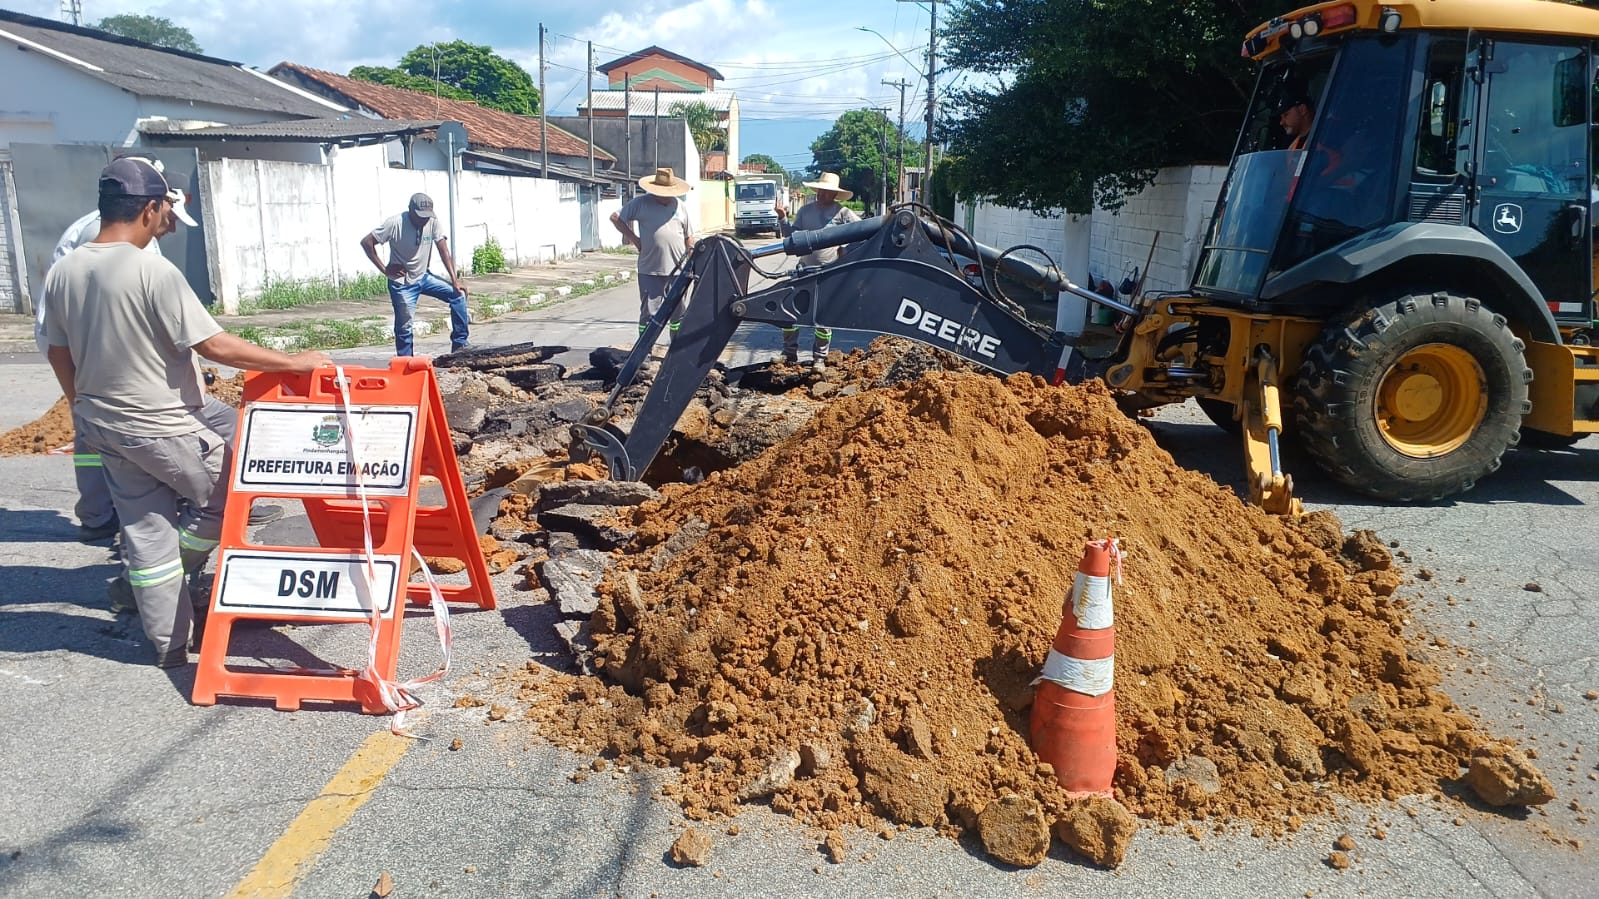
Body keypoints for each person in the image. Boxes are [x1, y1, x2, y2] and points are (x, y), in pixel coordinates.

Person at [43, 157, 331, 668]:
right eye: (163, 213)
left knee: (146, 529)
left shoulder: (65, 269)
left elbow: (57, 351)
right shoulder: (151, 269)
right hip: (159, 422)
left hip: (103, 423)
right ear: (150, 209)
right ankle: (163, 584)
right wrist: (295, 362)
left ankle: (168, 646)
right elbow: (215, 345)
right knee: (229, 492)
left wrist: (79, 403)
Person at [360, 193, 470, 357]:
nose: (423, 220)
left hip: (424, 277)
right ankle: (405, 361)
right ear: (410, 210)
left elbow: (443, 249)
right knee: (404, 325)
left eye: (426, 216)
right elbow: (367, 242)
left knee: (458, 295)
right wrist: (385, 270)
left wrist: (455, 280)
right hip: (402, 283)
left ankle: (460, 346)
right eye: (420, 216)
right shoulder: (395, 223)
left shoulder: (432, 221)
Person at [775, 171, 860, 371]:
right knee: (789, 311)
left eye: (827, 191)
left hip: (828, 271)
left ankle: (819, 359)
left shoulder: (843, 213)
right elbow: (792, 237)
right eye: (821, 190)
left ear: (834, 194)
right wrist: (783, 219)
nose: (822, 194)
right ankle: (789, 353)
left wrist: (847, 250)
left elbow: (864, 233)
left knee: (822, 317)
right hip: (804, 270)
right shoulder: (805, 212)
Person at [611, 167, 696, 347]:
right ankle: (645, 349)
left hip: (678, 270)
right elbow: (616, 218)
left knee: (679, 313)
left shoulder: (680, 206)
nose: (665, 196)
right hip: (650, 269)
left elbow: (689, 236)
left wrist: (692, 254)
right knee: (649, 313)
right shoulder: (640, 203)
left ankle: (676, 348)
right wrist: (635, 239)